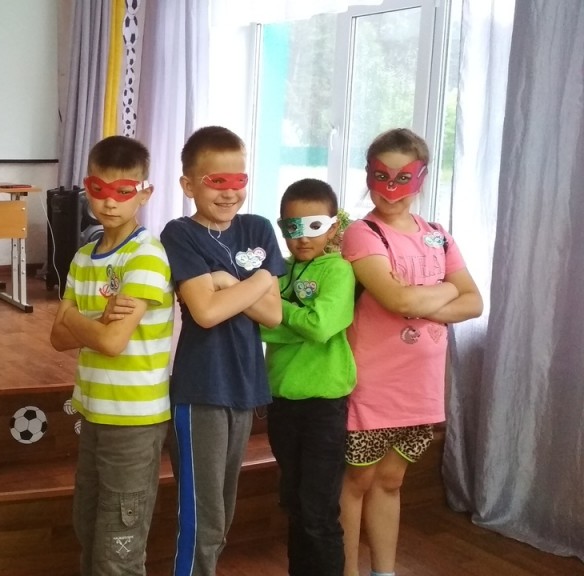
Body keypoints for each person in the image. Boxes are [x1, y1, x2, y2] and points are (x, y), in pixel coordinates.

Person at [339, 128, 483, 576]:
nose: (391, 188)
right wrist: (445, 290)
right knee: (357, 480)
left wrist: (423, 296)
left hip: (420, 388)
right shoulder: (362, 234)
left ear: (421, 178)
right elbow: (396, 299)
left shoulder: (438, 236)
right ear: (368, 175)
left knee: (391, 480)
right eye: (381, 176)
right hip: (373, 384)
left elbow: (474, 302)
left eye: (404, 177)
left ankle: (384, 571)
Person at [159, 125, 286, 576]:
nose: (230, 192)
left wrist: (229, 281)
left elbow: (274, 315)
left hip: (245, 385)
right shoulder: (180, 233)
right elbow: (207, 312)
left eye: (239, 180)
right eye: (217, 181)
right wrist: (260, 281)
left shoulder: (257, 228)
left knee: (224, 511)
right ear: (188, 185)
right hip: (201, 389)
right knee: (204, 517)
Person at [49, 135, 173, 575]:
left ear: (144, 193)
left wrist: (75, 317)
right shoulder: (84, 257)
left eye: (123, 191)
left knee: (119, 546)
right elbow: (57, 338)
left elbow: (111, 342)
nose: (110, 202)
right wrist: (94, 322)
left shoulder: (147, 255)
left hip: (134, 418)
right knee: (88, 526)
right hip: (94, 410)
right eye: (99, 189)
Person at [260, 179, 356, 576]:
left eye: (314, 226)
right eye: (292, 227)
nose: (302, 237)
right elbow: (263, 329)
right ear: (282, 227)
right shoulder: (277, 272)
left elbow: (321, 326)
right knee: (295, 505)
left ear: (333, 227)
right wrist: (289, 320)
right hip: (282, 405)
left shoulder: (338, 270)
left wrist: (278, 311)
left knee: (318, 511)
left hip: (323, 408)